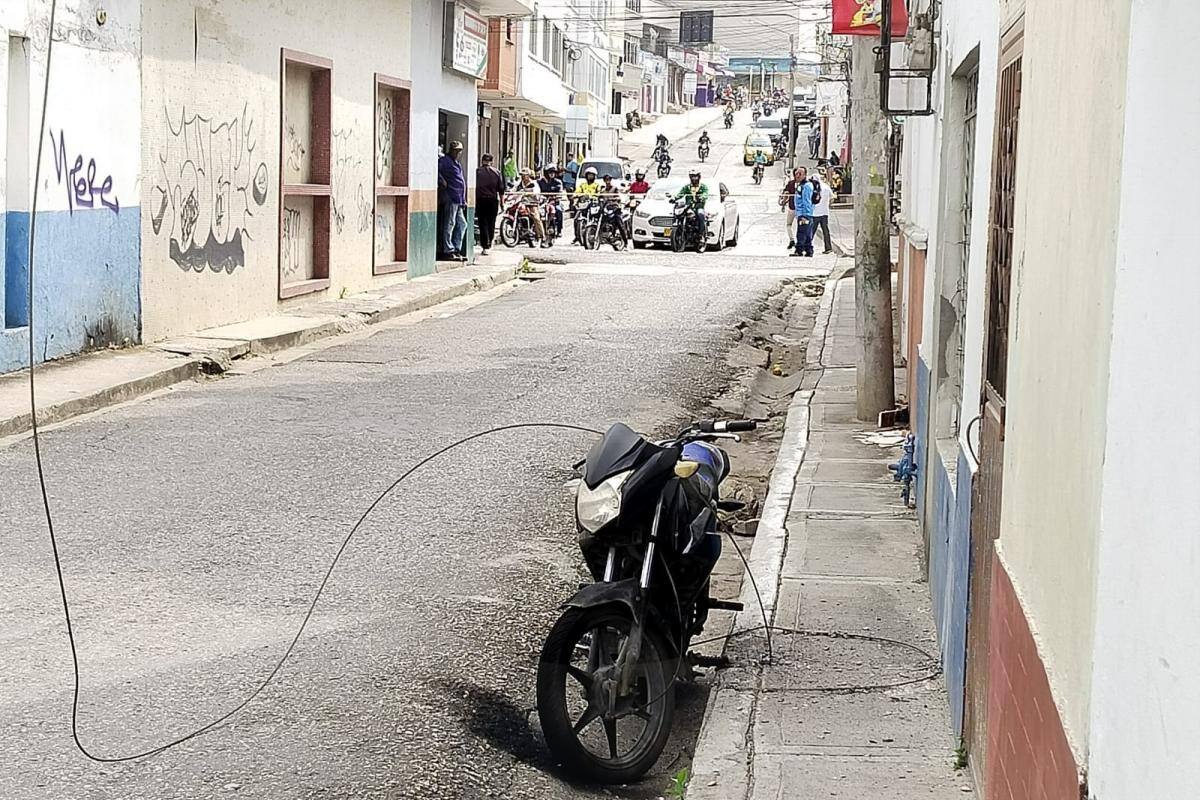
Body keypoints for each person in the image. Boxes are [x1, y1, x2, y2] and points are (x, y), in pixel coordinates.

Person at [437, 140, 468, 261]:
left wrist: (463, 200)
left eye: (459, 151)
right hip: (450, 196)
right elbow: (436, 170)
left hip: (458, 198)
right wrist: (441, 180)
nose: (457, 153)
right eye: (455, 150)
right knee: (449, 223)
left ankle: (456, 248)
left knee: (462, 224)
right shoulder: (444, 161)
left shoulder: (457, 163)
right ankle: (447, 249)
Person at [475, 153, 505, 255]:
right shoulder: (497, 172)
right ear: (491, 162)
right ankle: (489, 242)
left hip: (480, 200)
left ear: (482, 160)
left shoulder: (477, 172)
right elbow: (501, 190)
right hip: (492, 200)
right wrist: (502, 203)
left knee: (482, 223)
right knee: (491, 222)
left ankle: (485, 245)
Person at [516, 168, 548, 246]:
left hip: (532, 203)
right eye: (522, 175)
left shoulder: (534, 184)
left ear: (528, 175)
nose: (523, 177)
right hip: (521, 202)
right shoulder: (519, 183)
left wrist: (528, 193)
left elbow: (536, 193)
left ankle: (542, 236)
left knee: (536, 217)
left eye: (524, 175)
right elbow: (514, 190)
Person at [674, 169, 709, 235]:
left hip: (698, 207)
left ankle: (701, 233)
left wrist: (701, 198)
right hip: (688, 207)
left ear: (699, 177)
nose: (694, 178)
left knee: (700, 214)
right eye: (692, 177)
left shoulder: (703, 187)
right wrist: (674, 198)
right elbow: (680, 194)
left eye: (696, 177)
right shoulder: (686, 187)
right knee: (679, 213)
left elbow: (705, 194)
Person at [572, 166, 601, 244]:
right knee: (576, 219)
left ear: (594, 176)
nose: (590, 176)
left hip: (593, 205)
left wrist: (594, 196)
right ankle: (577, 236)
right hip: (583, 204)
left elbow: (599, 193)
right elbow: (577, 192)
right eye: (589, 175)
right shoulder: (582, 185)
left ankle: (596, 233)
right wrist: (575, 195)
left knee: (599, 217)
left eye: (592, 175)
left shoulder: (597, 185)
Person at [792, 166, 815, 257]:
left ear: (805, 175)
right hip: (802, 213)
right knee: (807, 232)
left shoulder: (807, 186)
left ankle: (799, 250)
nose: (797, 176)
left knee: (801, 232)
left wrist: (805, 214)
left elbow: (806, 201)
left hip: (804, 213)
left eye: (800, 174)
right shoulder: (801, 185)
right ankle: (809, 250)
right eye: (796, 173)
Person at [538, 164, 565, 237]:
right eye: (550, 172)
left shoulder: (558, 182)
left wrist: (556, 197)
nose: (552, 174)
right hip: (542, 202)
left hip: (554, 202)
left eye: (553, 172)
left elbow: (560, 192)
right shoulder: (540, 182)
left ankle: (559, 230)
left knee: (559, 211)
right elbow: (536, 190)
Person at [779, 167, 802, 250]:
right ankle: (797, 240)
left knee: (789, 225)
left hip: (794, 207)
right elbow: (786, 194)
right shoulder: (804, 184)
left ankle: (792, 240)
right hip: (799, 208)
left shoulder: (791, 183)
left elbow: (786, 194)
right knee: (799, 225)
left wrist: (783, 204)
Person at [811, 172, 833, 254]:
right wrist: (828, 205)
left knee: (812, 231)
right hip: (824, 213)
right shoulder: (826, 187)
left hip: (815, 213)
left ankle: (808, 247)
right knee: (826, 231)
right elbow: (832, 197)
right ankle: (828, 248)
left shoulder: (812, 188)